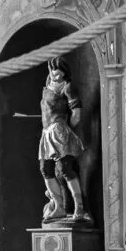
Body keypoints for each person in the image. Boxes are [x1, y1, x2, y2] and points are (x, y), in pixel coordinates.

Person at [39, 56, 91, 225]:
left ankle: (79, 207)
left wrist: (65, 129)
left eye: (58, 70)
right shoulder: (48, 86)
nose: (55, 73)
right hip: (46, 133)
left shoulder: (67, 87)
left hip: (59, 131)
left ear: (63, 71)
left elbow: (76, 114)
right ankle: (59, 206)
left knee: (65, 168)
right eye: (52, 69)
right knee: (46, 169)